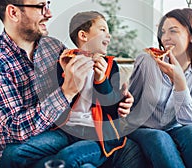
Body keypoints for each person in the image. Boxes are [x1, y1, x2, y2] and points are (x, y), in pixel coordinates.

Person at [0, 0, 144, 168]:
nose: (49, 13)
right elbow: (17, 130)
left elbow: (90, 93)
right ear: (13, 13)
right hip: (32, 144)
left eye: (48, 5)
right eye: (40, 7)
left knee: (79, 162)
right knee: (13, 156)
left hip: (67, 134)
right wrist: (67, 91)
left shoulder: (54, 48)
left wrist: (119, 101)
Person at [47, 10, 145, 168]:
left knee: (67, 157)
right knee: (19, 152)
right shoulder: (64, 62)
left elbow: (112, 108)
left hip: (98, 134)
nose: (109, 35)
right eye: (102, 30)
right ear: (83, 36)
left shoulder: (111, 66)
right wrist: (66, 73)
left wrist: (101, 79)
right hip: (66, 130)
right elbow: (55, 102)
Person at [124, 8, 192, 168]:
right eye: (163, 32)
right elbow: (130, 102)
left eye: (173, 31)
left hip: (177, 128)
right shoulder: (146, 60)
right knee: (159, 138)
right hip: (142, 127)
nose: (165, 38)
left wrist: (179, 82)